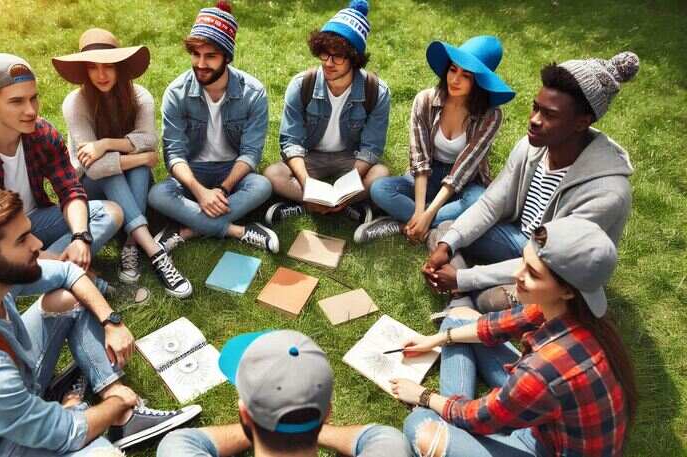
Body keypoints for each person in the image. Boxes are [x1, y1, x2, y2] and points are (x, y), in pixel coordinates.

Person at [0, 186, 201, 456]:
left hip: (13, 392)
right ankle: (104, 406)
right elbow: (64, 432)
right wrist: (115, 404)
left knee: (68, 298)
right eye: (21, 240)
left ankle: (110, 405)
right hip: (0, 445)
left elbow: (67, 272)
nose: (38, 244)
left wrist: (111, 321)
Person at [391, 218, 636, 456]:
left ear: (568, 291)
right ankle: (451, 416)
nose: (517, 275)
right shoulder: (572, 312)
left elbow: (482, 418)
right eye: (523, 261)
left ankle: (447, 418)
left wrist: (424, 396)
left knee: (420, 426)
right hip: (545, 426)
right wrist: (434, 340)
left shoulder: (543, 370)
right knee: (457, 317)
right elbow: (496, 326)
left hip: (543, 445)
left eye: (532, 273)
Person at [424, 52, 639, 312]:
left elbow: (549, 261)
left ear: (582, 122)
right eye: (536, 107)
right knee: (446, 231)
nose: (534, 120)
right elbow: (492, 203)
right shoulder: (530, 146)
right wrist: (449, 246)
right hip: (520, 242)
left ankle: (463, 300)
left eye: (549, 114)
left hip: (554, 273)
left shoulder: (608, 193)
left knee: (490, 300)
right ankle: (461, 302)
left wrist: (462, 277)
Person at [0, 53, 121, 295]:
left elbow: (70, 190)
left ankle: (56, 274)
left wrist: (81, 238)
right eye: (17, 101)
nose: (30, 110)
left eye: (33, 98)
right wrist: (57, 260)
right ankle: (77, 278)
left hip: (33, 222)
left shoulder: (42, 133)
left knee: (109, 213)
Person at [54, 27, 192, 299]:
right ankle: (155, 252)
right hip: (90, 184)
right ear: (85, 72)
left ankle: (130, 244)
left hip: (130, 179)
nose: (101, 75)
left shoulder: (140, 96)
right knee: (116, 169)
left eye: (108, 67)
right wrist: (140, 156)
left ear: (120, 67)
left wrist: (105, 144)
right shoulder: (75, 102)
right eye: (93, 68)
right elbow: (92, 167)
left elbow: (149, 138)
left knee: (132, 167)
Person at [148, 1, 278, 254]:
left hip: (232, 172)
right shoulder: (176, 92)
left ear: (227, 57)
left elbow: (251, 153)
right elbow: (174, 154)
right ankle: (238, 230)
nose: (200, 63)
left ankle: (186, 230)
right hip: (192, 173)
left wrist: (222, 189)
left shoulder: (253, 93)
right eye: (196, 54)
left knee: (262, 186)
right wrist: (200, 192)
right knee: (157, 194)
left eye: (210, 56)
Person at [357, 36, 514, 244]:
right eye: (453, 70)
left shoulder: (490, 116)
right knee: (379, 189)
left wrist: (428, 214)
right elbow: (419, 160)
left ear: (479, 82)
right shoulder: (425, 100)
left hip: (464, 183)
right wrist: (421, 211)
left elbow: (464, 169)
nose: (455, 80)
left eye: (466, 75)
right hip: (427, 175)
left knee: (478, 201)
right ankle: (426, 225)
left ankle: (406, 224)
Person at [157, 329, 413, 456]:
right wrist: (303, 427)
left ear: (245, 415)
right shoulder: (394, 446)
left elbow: (179, 441)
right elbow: (383, 437)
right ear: (327, 415)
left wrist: (263, 428)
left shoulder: (175, 447)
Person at [263, 0, 390, 228]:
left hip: (351, 158)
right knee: (273, 174)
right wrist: (307, 184)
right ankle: (319, 204)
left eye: (338, 56)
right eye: (324, 54)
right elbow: (290, 141)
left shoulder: (376, 91)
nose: (328, 63)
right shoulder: (302, 85)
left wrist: (345, 185)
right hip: (311, 156)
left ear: (354, 58)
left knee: (380, 174)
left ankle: (337, 203)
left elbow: (371, 149)